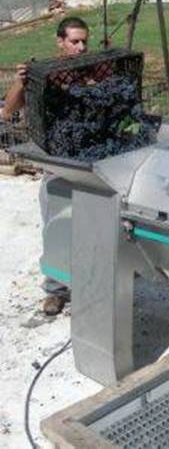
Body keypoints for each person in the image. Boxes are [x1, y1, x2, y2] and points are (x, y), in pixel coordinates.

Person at [2, 17, 90, 315]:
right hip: (56, 162)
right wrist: (20, 81)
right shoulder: (41, 75)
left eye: (84, 41)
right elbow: (9, 111)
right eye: (74, 41)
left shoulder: (90, 71)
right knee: (57, 227)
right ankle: (55, 289)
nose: (81, 47)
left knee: (92, 226)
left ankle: (91, 283)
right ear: (60, 42)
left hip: (89, 160)